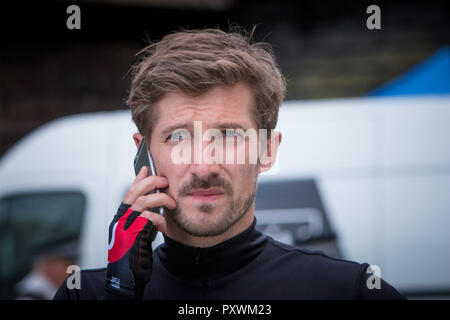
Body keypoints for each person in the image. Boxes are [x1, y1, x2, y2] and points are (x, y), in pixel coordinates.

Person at [54, 27, 405, 300]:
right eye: (179, 138)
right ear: (144, 154)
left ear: (267, 150)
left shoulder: (349, 292)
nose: (204, 167)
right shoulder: (83, 294)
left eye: (229, 136)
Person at [15, 235, 78, 300]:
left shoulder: (51, 292)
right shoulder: (30, 296)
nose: (74, 269)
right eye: (68, 264)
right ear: (49, 264)